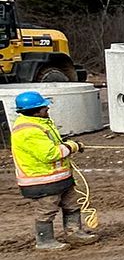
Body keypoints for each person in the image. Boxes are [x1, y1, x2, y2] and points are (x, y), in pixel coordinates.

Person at [10, 88, 98, 251]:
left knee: (72, 203)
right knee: (46, 211)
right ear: (35, 111)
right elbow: (50, 154)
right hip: (41, 180)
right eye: (44, 107)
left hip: (60, 177)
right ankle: (45, 241)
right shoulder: (28, 131)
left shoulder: (41, 123)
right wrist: (72, 146)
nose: (47, 108)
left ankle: (74, 233)